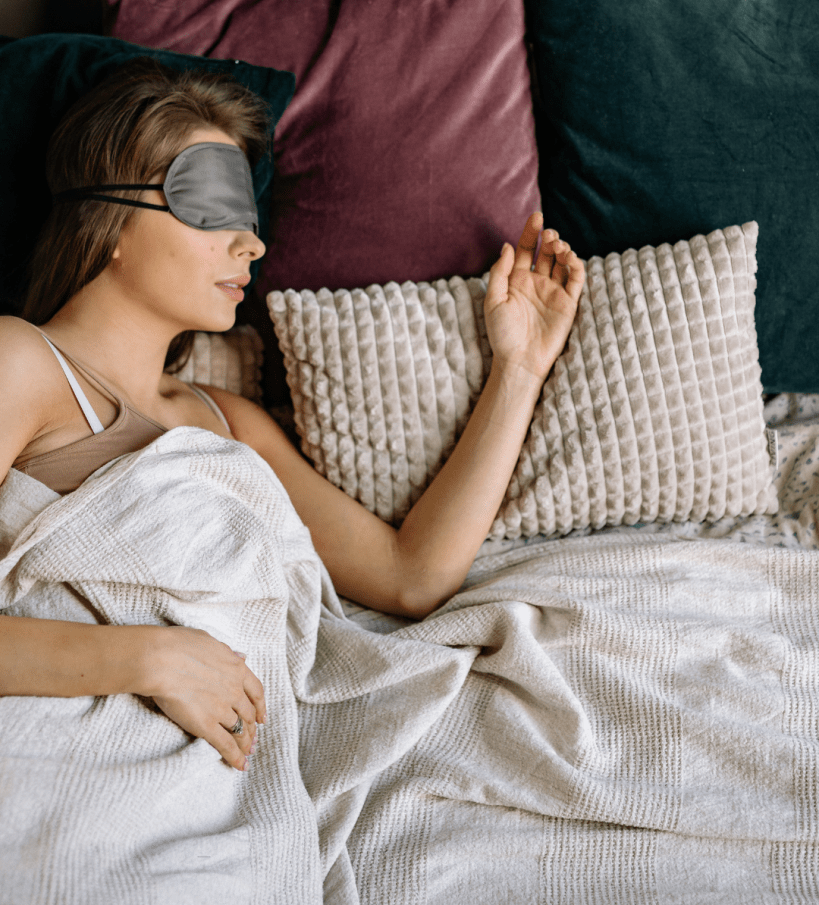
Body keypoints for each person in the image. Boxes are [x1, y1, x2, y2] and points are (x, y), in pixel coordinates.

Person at [0, 59, 585, 773]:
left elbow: (413, 577)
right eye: (210, 208)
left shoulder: (229, 422)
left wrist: (518, 368)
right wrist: (148, 657)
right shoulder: (20, 361)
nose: (252, 245)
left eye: (246, 217)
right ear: (110, 219)